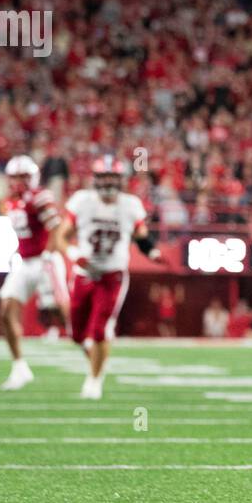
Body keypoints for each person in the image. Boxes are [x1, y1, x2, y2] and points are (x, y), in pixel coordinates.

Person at [63, 155, 163, 399]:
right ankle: (98, 363)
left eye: (112, 177)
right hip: (83, 274)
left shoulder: (130, 204)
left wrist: (152, 250)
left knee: (99, 330)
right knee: (76, 334)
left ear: (121, 180)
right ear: (95, 179)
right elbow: (60, 235)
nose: (108, 182)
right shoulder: (82, 201)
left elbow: (141, 235)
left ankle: (95, 380)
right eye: (104, 177)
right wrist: (73, 253)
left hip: (112, 276)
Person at [0, 155, 69, 391]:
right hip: (25, 262)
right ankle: (19, 368)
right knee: (6, 310)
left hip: (45, 260)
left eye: (22, 177)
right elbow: (24, 233)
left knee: (62, 312)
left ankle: (89, 346)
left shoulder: (40, 196)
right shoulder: (10, 202)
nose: (17, 181)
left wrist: (50, 253)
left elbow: (56, 227)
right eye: (14, 177)